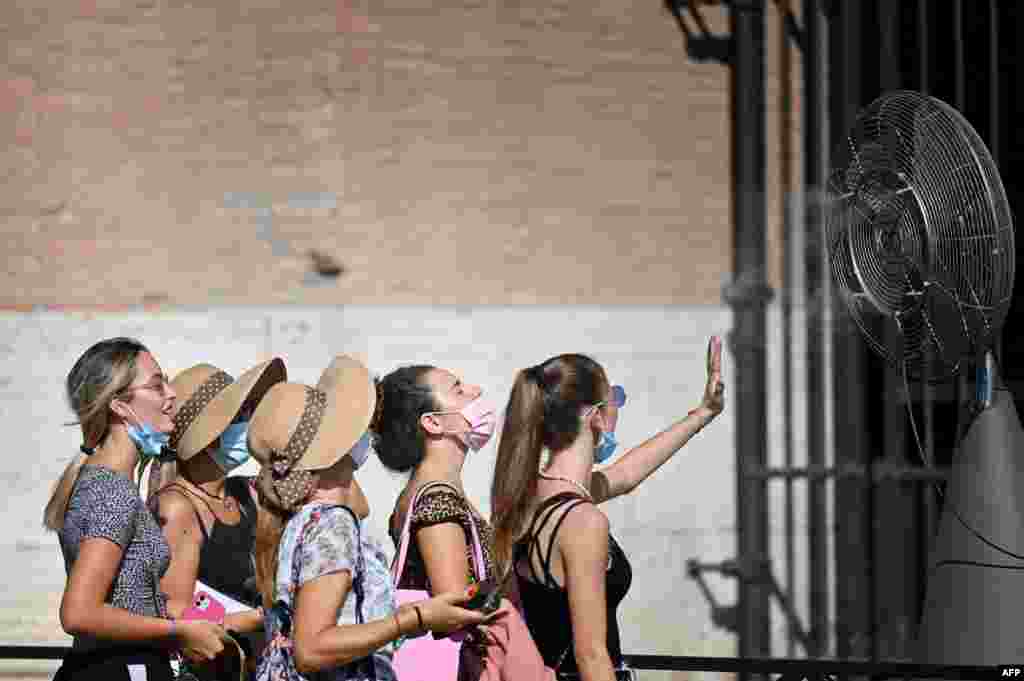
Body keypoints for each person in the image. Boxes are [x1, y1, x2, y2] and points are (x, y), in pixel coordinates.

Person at [490, 338, 725, 681]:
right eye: (615, 397)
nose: (618, 407)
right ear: (596, 416)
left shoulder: (531, 494)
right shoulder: (583, 521)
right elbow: (592, 655)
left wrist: (703, 413)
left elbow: (626, 475)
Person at [250, 356, 496, 680]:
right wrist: (415, 618)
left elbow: (350, 622)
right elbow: (310, 649)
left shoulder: (313, 520)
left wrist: (410, 618)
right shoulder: (331, 524)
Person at [44, 337, 228, 680]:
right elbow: (78, 613)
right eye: (157, 386)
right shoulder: (113, 492)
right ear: (120, 406)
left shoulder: (103, 482)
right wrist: (178, 632)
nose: (171, 394)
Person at [147, 358, 287, 675]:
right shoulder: (177, 507)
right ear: (208, 437)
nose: (250, 422)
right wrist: (264, 617)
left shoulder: (245, 493)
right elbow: (173, 615)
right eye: (239, 415)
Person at [372, 366, 499, 600]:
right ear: (433, 423)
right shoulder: (438, 503)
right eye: (458, 390)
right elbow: (455, 607)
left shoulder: (426, 491)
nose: (477, 391)